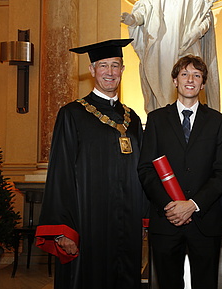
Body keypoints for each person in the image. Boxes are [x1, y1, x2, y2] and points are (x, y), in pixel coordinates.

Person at [35, 39, 147, 289]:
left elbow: (142, 172)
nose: (110, 72)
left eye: (115, 65)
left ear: (123, 70)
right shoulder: (72, 114)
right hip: (87, 225)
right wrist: (64, 229)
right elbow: (60, 173)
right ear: (92, 69)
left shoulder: (133, 119)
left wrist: (142, 217)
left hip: (126, 226)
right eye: (103, 66)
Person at [138, 55, 222, 289]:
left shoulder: (218, 122)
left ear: (203, 83)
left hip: (205, 221)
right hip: (166, 221)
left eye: (197, 75)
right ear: (175, 81)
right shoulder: (156, 120)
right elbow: (146, 169)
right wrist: (170, 206)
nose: (191, 79)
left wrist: (193, 204)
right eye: (185, 74)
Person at [121, 0, 220, 113]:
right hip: (161, 47)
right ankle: (163, 117)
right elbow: (145, 10)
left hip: (188, 43)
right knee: (161, 86)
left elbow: (205, 17)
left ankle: (193, 118)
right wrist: (134, 20)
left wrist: (195, 33)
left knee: (190, 77)